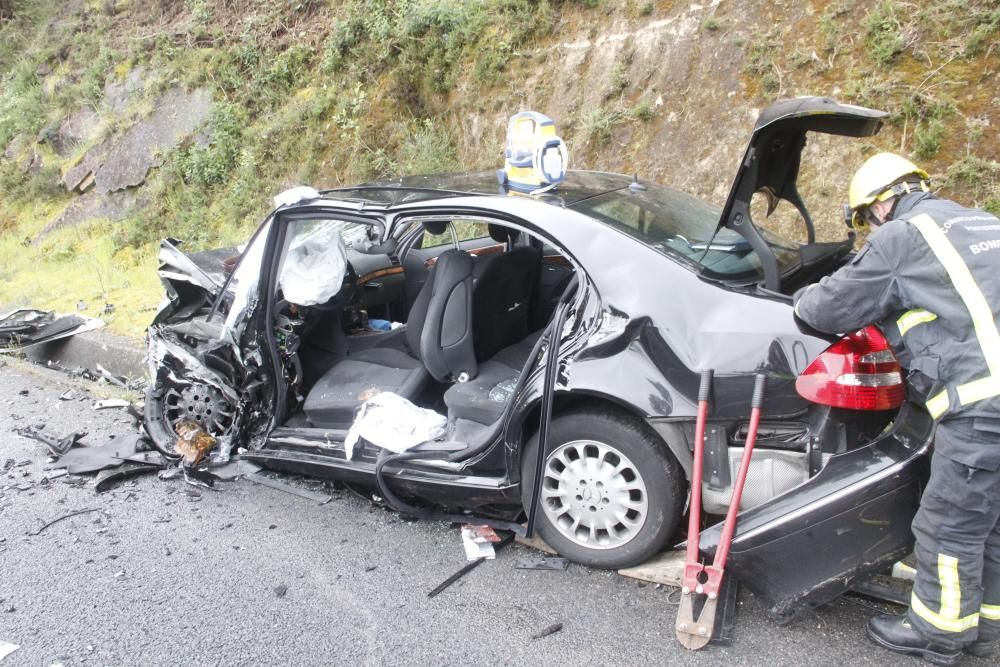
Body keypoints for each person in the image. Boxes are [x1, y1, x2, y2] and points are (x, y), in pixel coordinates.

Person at [794, 152, 1000, 665]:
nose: (869, 228)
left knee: (947, 522)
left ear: (881, 204)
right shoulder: (980, 222)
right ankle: (986, 623)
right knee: (988, 519)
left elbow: (829, 308)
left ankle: (939, 632)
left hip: (984, 405)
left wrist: (798, 300)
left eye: (865, 219)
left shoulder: (903, 238)